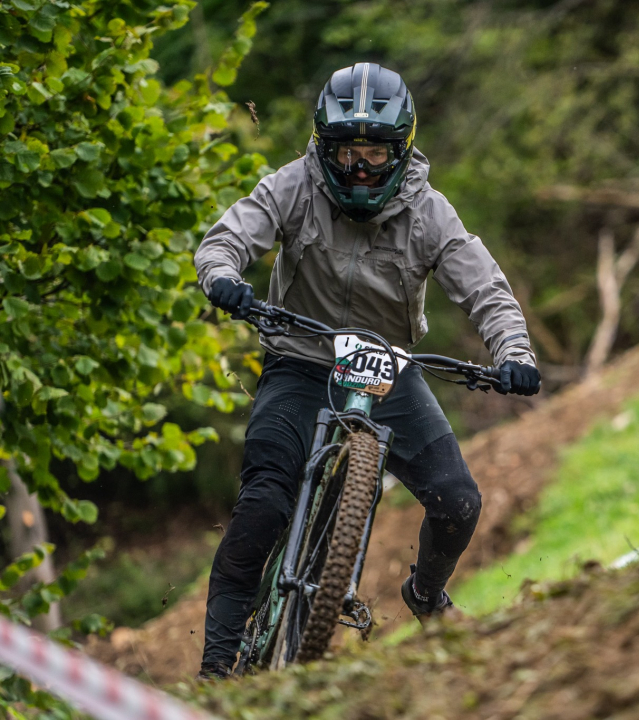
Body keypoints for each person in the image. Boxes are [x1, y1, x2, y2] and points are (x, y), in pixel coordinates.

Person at [192, 63, 541, 680]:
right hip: (300, 361)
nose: (359, 169)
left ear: (401, 150)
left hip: (386, 370)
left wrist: (515, 354)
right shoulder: (294, 186)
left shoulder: (430, 212)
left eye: (375, 153)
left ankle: (426, 594)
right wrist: (222, 277)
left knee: (458, 501)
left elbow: (486, 290)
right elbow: (227, 238)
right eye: (346, 152)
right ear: (322, 147)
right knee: (262, 506)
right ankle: (216, 670)